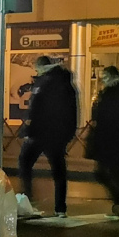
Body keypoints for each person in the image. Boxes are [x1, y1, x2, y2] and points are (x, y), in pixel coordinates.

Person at [16, 54, 78, 218]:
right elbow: (73, 111)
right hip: (58, 134)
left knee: (25, 162)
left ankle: (28, 200)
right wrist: (69, 134)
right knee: (59, 171)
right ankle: (60, 208)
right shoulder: (66, 83)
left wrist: (27, 129)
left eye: (37, 68)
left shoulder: (43, 83)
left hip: (40, 133)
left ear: (41, 67)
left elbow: (35, 109)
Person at [86, 65, 119, 219]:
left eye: (105, 77)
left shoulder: (111, 94)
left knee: (102, 172)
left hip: (108, 139)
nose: (103, 80)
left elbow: (100, 115)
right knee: (117, 174)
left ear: (112, 77)